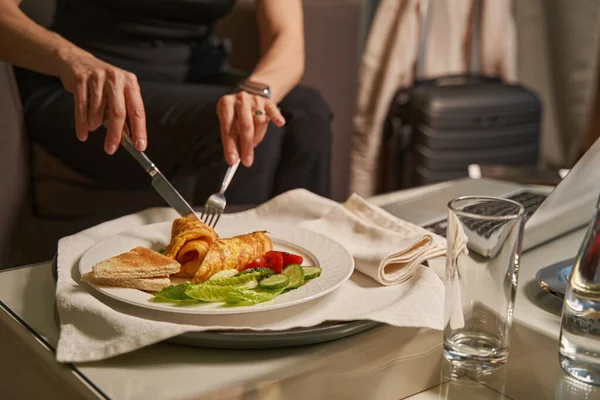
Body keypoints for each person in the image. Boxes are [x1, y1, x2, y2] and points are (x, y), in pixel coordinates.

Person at [0, 0, 332, 206]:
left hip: (193, 81)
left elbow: (286, 38)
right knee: (241, 128)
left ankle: (303, 273)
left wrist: (256, 94)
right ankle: (222, 292)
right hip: (86, 95)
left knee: (304, 111)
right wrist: (71, 58)